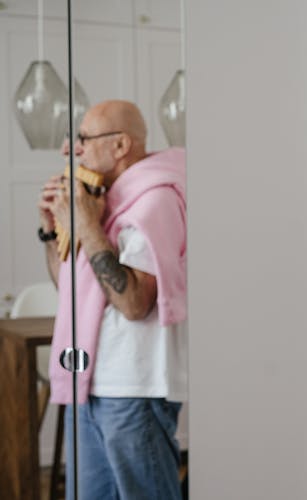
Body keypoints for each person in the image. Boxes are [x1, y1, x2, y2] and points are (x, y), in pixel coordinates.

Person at [38, 100, 187, 500]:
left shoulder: (155, 201)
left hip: (132, 386)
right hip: (86, 376)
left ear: (121, 145)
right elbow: (67, 284)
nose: (74, 149)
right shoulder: (106, 200)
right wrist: (54, 232)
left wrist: (86, 223)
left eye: (84, 137)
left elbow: (134, 302)